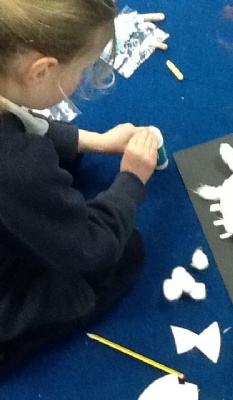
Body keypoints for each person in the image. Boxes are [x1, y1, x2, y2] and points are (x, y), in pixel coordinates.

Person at [0, 0, 159, 371]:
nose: (84, 77)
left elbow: (20, 121)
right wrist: (131, 180)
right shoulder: (18, 167)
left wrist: (93, 142)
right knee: (125, 254)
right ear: (42, 70)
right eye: (83, 68)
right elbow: (90, 246)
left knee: (63, 160)